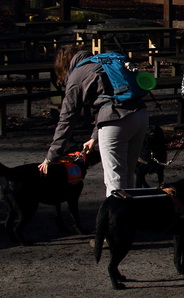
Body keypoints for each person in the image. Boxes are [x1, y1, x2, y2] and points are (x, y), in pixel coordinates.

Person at [38, 45, 150, 197]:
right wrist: (94, 137)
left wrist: (52, 156)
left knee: (115, 180)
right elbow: (111, 97)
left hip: (115, 121)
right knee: (128, 174)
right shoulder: (104, 61)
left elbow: (67, 118)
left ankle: (117, 218)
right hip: (140, 115)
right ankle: (129, 217)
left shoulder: (77, 75)